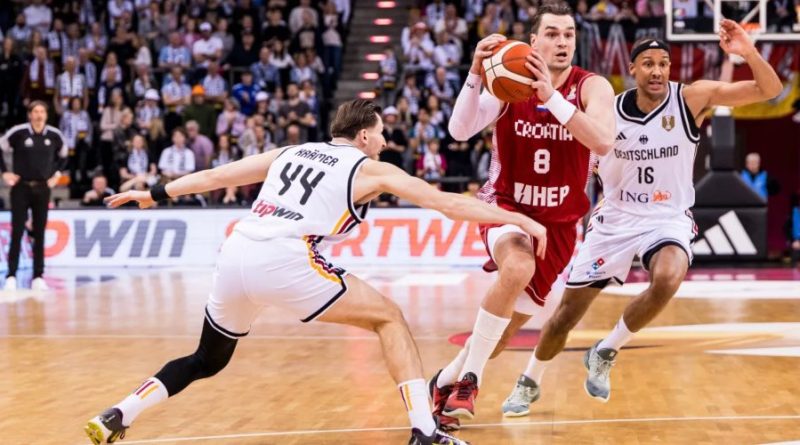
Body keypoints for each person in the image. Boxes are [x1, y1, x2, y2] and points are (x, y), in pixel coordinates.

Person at [84, 99, 548, 445]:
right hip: (286, 257)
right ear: (364, 135)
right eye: (382, 133)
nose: (385, 141)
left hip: (236, 250)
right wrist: (520, 220)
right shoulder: (370, 169)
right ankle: (424, 432)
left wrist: (155, 194)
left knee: (207, 358)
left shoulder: (291, 151)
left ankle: (119, 413)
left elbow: (215, 176)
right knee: (390, 318)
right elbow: (448, 203)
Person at [497, 19, 782, 417]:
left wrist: (748, 52)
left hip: (667, 217)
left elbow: (771, 91)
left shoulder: (691, 99)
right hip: (614, 219)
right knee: (564, 318)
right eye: (648, 63)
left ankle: (607, 350)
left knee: (668, 276)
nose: (657, 71)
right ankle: (529, 381)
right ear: (632, 70)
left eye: (664, 63)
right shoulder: (605, 109)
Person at [430, 2, 616, 430]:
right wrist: (476, 73)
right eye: (552, 33)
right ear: (532, 41)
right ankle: (471, 381)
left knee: (497, 337)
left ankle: (442, 382)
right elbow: (459, 131)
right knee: (517, 265)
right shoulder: (509, 81)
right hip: (506, 207)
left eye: (568, 34)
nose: (562, 42)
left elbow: (603, 141)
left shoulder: (593, 87)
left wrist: (553, 99)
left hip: (560, 225)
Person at [0, 101, 68, 291]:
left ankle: (38, 275)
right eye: (35, 112)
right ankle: (11, 275)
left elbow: (64, 155)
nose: (39, 115)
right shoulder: (19, 132)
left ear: (46, 115)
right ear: (29, 114)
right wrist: (4, 172)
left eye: (42, 112)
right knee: (17, 231)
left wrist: (56, 175)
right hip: (21, 187)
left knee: (39, 232)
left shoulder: (54, 135)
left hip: (42, 188)